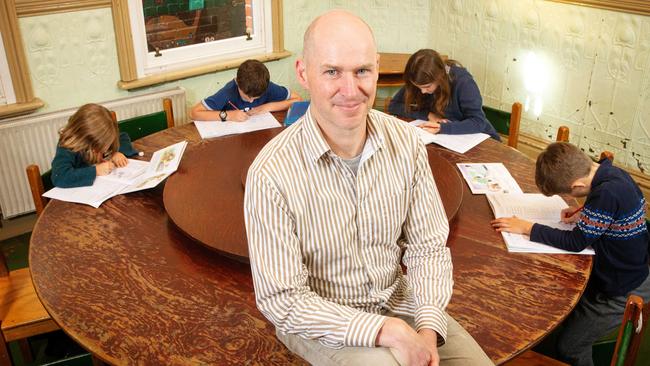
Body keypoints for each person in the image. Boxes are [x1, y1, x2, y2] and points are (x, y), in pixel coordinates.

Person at [244, 10, 492, 366]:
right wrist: (387, 331)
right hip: (323, 322)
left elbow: (428, 248)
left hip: (400, 304)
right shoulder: (270, 173)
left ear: (376, 68)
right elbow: (285, 300)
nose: (351, 90)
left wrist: (426, 327)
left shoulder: (407, 143)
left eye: (362, 71)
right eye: (332, 72)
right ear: (303, 73)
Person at [491, 142, 650, 366]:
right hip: (621, 271)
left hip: (621, 289)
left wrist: (528, 228)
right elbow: (615, 209)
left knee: (570, 345)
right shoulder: (611, 173)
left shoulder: (606, 193)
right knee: (553, 307)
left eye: (564, 193)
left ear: (576, 186)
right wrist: (584, 212)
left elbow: (575, 242)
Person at [387, 49, 500, 141]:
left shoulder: (463, 82)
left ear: (439, 77)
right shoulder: (419, 78)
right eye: (418, 87)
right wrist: (428, 114)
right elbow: (394, 106)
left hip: (482, 140)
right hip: (451, 140)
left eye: (427, 87)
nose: (422, 92)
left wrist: (442, 128)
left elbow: (478, 122)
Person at [51, 103, 138, 188]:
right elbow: (59, 176)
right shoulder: (67, 147)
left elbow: (122, 137)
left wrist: (117, 152)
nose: (103, 149)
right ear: (85, 139)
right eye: (99, 146)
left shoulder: (103, 135)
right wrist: (96, 171)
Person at [190, 59, 301, 122]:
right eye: (248, 96)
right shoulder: (228, 92)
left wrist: (267, 107)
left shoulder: (265, 87)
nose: (251, 101)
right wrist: (228, 115)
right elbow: (194, 113)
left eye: (256, 98)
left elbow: (298, 99)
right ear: (238, 82)